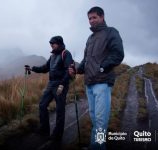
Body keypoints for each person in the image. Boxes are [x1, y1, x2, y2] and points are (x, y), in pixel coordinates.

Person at [69, 6, 124, 150]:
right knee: (94, 117)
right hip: (89, 82)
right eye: (89, 19)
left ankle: (99, 146)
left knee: (100, 119)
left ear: (102, 17)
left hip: (103, 82)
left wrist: (102, 67)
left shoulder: (111, 32)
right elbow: (86, 60)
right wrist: (76, 70)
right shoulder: (90, 38)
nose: (91, 21)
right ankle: (96, 146)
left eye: (94, 17)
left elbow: (118, 54)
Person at [25, 36, 74, 142]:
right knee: (42, 105)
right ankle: (44, 129)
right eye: (50, 43)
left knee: (60, 109)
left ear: (59, 43)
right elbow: (44, 68)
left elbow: (68, 71)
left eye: (53, 43)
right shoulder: (52, 56)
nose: (51, 44)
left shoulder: (66, 53)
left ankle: (57, 134)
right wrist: (32, 68)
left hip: (61, 84)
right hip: (51, 84)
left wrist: (62, 85)